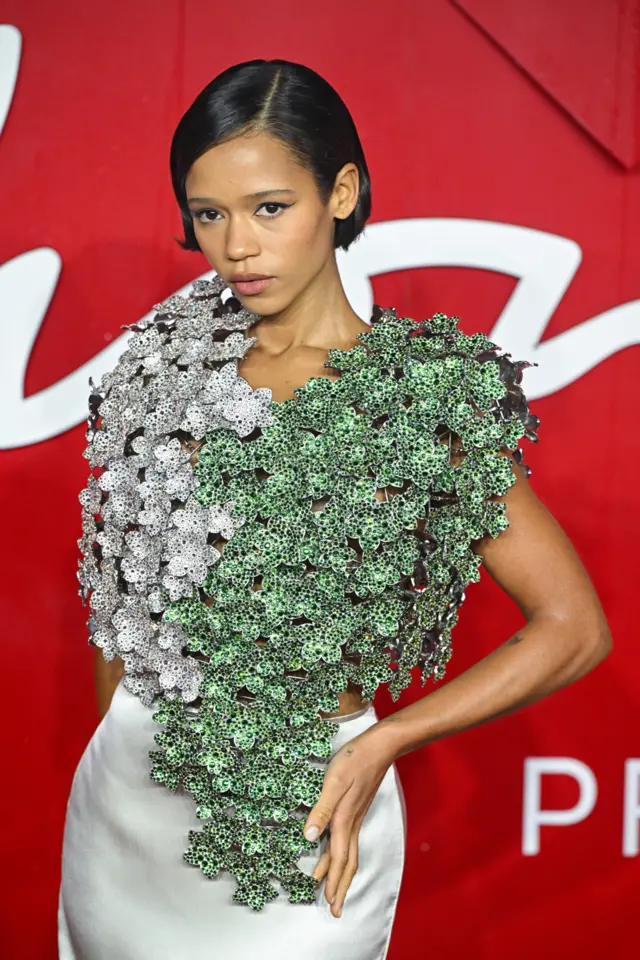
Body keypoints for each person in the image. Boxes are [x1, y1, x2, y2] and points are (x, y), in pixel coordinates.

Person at [57, 58, 612, 959]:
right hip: (125, 815)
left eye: (270, 207)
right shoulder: (158, 365)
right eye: (210, 214)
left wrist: (382, 741)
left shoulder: (416, 399)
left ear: (341, 192)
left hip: (307, 815)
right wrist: (113, 745)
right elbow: (119, 601)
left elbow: (573, 628)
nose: (239, 245)